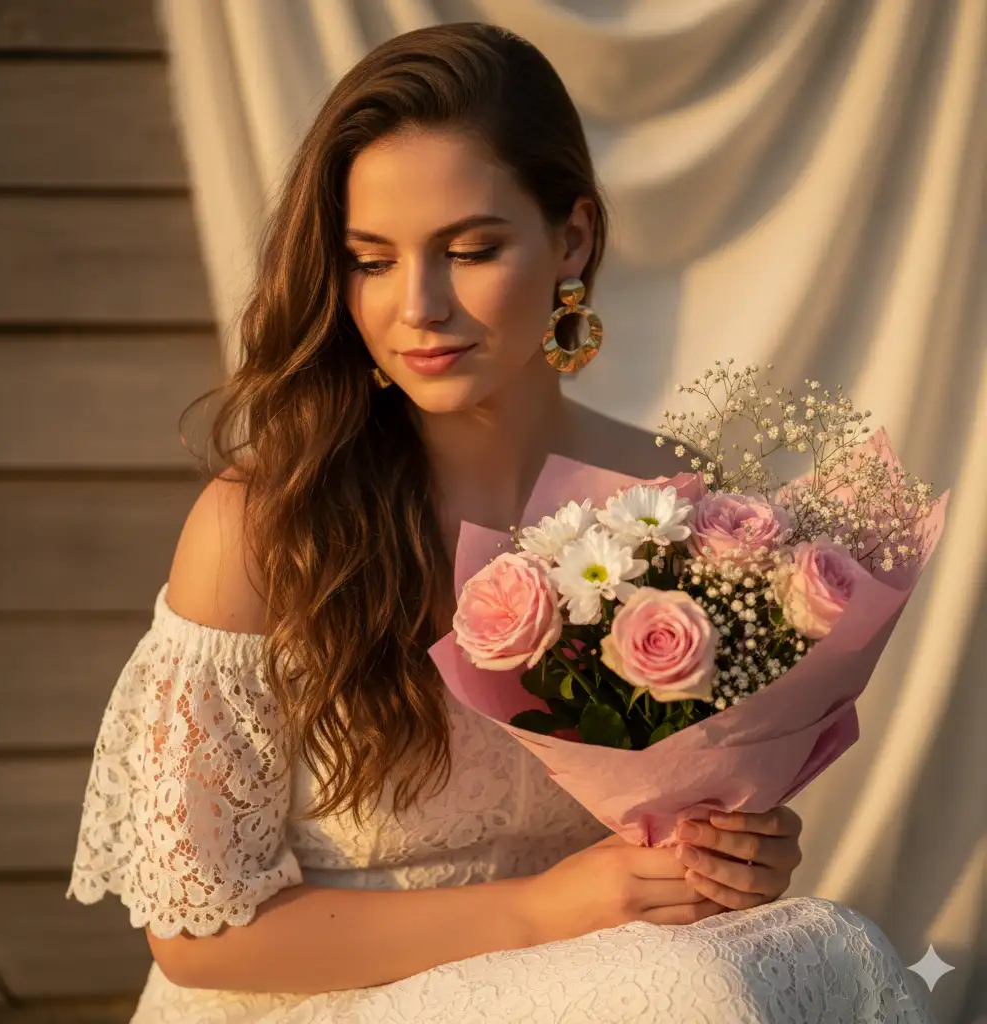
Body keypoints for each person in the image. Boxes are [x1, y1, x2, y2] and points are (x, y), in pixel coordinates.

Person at [67, 22, 934, 1023]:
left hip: (585, 988)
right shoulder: (262, 526)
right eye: (370, 260)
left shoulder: (672, 505)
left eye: (469, 249)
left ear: (572, 238)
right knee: (698, 992)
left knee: (832, 949)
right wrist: (544, 908)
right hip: (307, 1003)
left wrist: (726, 857)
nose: (418, 306)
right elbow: (199, 936)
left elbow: (663, 840)